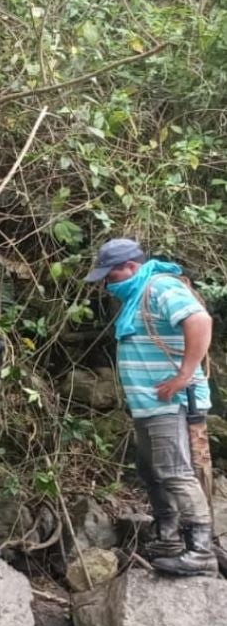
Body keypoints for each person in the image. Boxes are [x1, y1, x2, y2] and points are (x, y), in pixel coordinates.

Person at [84, 238, 217, 576]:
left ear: (130, 267)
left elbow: (200, 321)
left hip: (172, 402)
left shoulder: (160, 287)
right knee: (150, 469)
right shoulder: (137, 296)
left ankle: (201, 551)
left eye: (110, 276)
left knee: (174, 471)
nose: (107, 284)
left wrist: (184, 374)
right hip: (149, 405)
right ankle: (168, 537)